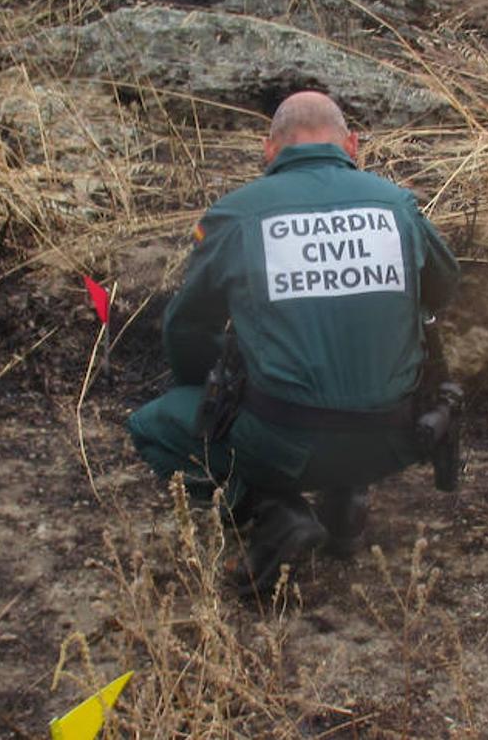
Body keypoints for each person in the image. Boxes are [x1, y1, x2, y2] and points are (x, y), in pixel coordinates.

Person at [128, 91, 460, 593]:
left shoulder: (238, 215)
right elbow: (443, 288)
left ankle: (274, 509)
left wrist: (214, 405)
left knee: (153, 425)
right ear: (352, 144)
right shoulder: (396, 205)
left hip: (285, 445)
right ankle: (345, 502)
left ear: (269, 150)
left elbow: (187, 327)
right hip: (398, 440)